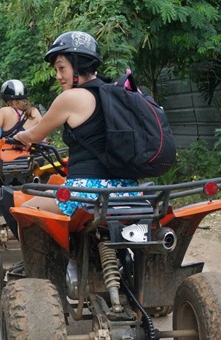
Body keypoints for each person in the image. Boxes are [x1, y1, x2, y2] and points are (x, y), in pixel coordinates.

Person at [12, 31, 139, 215]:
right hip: (127, 189)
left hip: (87, 191)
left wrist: (19, 136)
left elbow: (35, 135)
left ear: (78, 66)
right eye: (56, 70)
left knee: (24, 210)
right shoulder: (114, 93)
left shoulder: (70, 97)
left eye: (61, 68)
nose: (58, 76)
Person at [0, 79, 41, 146]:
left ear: (7, 100)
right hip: (30, 154)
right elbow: (43, 140)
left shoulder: (4, 111)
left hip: (7, 154)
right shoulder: (35, 111)